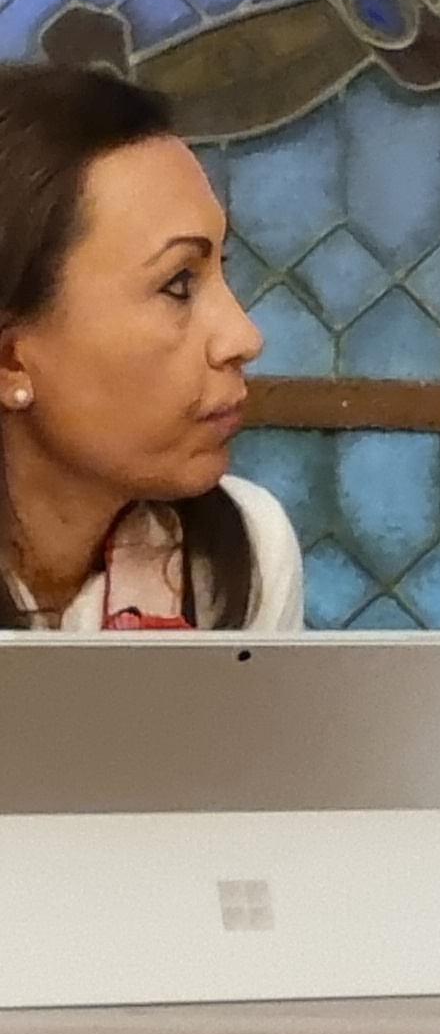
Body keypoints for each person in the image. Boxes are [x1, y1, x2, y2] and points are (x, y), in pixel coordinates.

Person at [0, 65, 296, 633]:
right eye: (178, 284)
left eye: (221, 266)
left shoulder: (241, 554)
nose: (244, 338)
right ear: (10, 360)